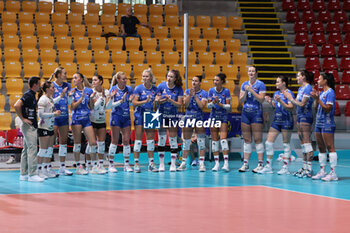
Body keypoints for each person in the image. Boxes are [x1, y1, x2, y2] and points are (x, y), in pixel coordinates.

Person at [259, 76, 294, 175]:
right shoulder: (276, 93)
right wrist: (270, 101)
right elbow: (275, 106)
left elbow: (291, 108)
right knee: (268, 143)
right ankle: (268, 166)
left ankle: (285, 167)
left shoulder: (289, 93)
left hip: (286, 121)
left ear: (283, 83)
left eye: (278, 82)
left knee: (286, 144)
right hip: (276, 121)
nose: (276, 84)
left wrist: (281, 101)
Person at [284, 70, 314, 178]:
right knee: (302, 142)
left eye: (298, 76)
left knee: (307, 141)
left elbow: (302, 104)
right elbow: (295, 103)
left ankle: (309, 169)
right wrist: (288, 99)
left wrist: (290, 98)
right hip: (300, 117)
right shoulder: (300, 89)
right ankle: (305, 167)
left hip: (306, 116)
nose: (297, 78)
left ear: (304, 77)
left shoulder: (308, 88)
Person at [14, 76, 44, 182]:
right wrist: (23, 119)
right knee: (32, 149)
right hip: (29, 126)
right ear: (35, 84)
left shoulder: (32, 95)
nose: (40, 85)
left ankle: (23, 173)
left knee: (26, 149)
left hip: (30, 125)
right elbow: (17, 105)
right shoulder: (28, 95)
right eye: (39, 83)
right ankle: (32, 174)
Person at [310, 73, 338, 181]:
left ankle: (333, 173)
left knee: (330, 147)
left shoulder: (330, 92)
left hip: (327, 122)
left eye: (319, 79)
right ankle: (322, 171)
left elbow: (328, 109)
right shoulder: (321, 93)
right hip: (319, 122)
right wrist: (316, 99)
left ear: (325, 80)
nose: (317, 81)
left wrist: (319, 99)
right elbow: (318, 108)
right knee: (321, 148)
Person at [238, 66, 266, 173]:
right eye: (249, 71)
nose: (251, 72)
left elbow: (261, 99)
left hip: (256, 114)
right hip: (246, 113)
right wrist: (245, 91)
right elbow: (241, 100)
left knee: (258, 139)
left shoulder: (260, 84)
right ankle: (245, 164)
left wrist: (251, 90)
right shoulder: (244, 85)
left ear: (256, 73)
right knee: (247, 140)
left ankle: (260, 164)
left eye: (253, 71)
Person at [177, 75, 208, 172]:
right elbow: (185, 105)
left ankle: (201, 164)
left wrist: (195, 96)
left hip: (199, 117)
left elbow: (201, 106)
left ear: (200, 83)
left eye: (196, 81)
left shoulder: (204, 93)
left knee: (201, 142)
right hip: (188, 117)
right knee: (186, 142)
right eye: (192, 80)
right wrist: (190, 95)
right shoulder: (187, 92)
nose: (193, 83)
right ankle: (183, 163)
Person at [155, 70, 183, 172]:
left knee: (172, 140)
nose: (169, 78)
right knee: (161, 139)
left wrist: (170, 100)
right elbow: (157, 100)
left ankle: (173, 164)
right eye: (168, 76)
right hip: (162, 115)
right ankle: (161, 164)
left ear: (175, 79)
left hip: (172, 116)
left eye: (171, 77)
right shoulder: (161, 86)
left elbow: (179, 104)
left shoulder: (179, 89)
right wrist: (163, 100)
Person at [106, 72, 134, 173]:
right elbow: (109, 106)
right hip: (116, 117)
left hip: (126, 117)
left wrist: (130, 101)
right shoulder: (113, 89)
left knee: (126, 141)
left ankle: (126, 164)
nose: (125, 80)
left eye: (126, 79)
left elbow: (130, 104)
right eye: (123, 79)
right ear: (118, 80)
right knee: (115, 140)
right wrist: (118, 100)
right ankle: (111, 164)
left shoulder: (129, 89)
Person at [132, 69, 159, 172]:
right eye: (143, 76)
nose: (144, 78)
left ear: (151, 78)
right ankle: (136, 164)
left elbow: (157, 104)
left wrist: (157, 101)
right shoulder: (139, 88)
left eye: (147, 76)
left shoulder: (155, 89)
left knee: (150, 140)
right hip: (139, 114)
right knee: (138, 140)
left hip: (151, 114)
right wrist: (145, 101)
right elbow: (134, 103)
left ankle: (151, 164)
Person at [70, 73, 97, 175]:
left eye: (75, 78)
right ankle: (78, 167)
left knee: (93, 142)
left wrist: (91, 99)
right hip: (76, 119)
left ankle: (93, 166)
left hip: (86, 119)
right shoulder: (72, 91)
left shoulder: (89, 91)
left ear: (81, 79)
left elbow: (91, 107)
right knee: (77, 144)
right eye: (73, 78)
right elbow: (72, 107)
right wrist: (80, 99)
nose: (74, 80)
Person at [49, 67, 73, 176]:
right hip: (53, 117)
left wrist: (69, 97)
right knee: (50, 143)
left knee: (63, 142)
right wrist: (61, 96)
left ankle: (62, 167)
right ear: (58, 74)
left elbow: (68, 102)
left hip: (64, 116)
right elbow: (49, 101)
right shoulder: (51, 85)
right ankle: (48, 167)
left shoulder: (67, 86)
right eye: (64, 73)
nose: (66, 75)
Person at [37, 81, 62, 179]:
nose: (54, 88)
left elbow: (52, 102)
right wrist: (54, 114)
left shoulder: (50, 98)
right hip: (44, 127)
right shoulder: (42, 99)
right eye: (52, 87)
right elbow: (41, 115)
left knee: (49, 150)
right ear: (47, 89)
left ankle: (45, 169)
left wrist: (61, 96)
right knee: (43, 150)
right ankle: (38, 171)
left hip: (50, 126)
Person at [207, 73, 231, 172]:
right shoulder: (211, 90)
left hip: (223, 116)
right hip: (213, 116)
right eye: (214, 80)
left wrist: (219, 103)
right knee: (214, 140)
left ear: (222, 81)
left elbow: (228, 107)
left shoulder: (226, 91)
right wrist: (213, 102)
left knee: (223, 139)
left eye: (217, 80)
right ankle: (216, 163)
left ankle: (226, 163)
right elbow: (208, 106)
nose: (215, 82)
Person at [85, 75, 109, 174]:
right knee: (91, 144)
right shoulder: (91, 92)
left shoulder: (106, 92)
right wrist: (101, 99)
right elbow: (92, 107)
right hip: (92, 120)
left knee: (101, 144)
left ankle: (100, 165)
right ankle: (88, 164)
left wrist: (105, 98)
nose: (93, 82)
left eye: (95, 80)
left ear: (101, 81)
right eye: (92, 80)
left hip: (102, 120)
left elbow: (106, 106)